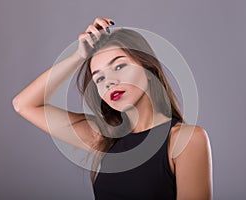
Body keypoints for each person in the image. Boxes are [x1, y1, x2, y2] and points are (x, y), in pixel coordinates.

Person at [12, 17, 213, 200]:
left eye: (119, 66)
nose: (109, 82)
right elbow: (24, 104)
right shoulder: (104, 138)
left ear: (148, 68)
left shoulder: (185, 140)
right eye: (99, 78)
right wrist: (78, 56)